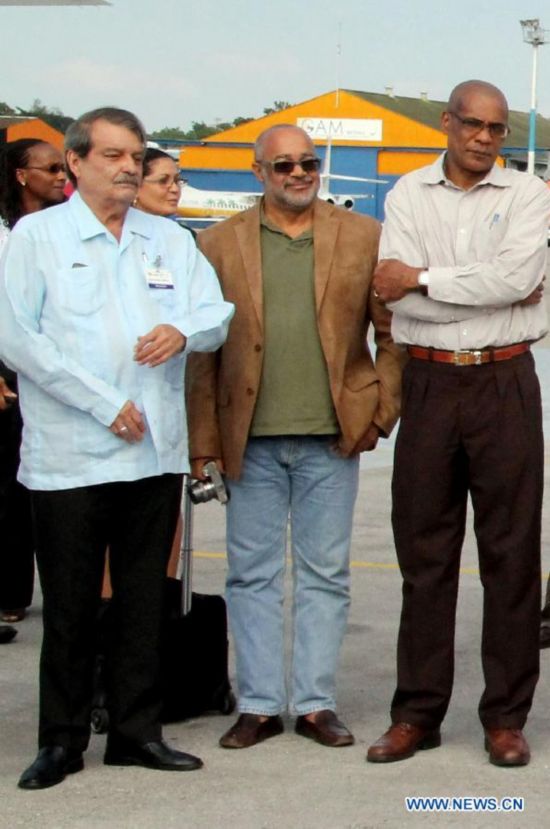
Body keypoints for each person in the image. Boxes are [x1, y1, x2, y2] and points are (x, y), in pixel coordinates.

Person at [0, 107, 234, 789]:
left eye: (135, 155)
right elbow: (18, 339)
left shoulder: (165, 237)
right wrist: (103, 404)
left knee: (142, 602)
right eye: (113, 155)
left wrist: (182, 331)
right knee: (71, 605)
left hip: (152, 453)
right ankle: (62, 739)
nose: (130, 167)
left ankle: (137, 731)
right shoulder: (38, 237)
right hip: (70, 454)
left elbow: (215, 311)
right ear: (75, 162)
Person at [186, 124, 404, 750]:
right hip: (246, 439)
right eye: (283, 165)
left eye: (308, 162)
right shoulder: (217, 245)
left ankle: (313, 702)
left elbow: (393, 337)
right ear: (259, 173)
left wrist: (378, 413)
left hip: (331, 440)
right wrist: (204, 441)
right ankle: (257, 703)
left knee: (325, 574)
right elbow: (201, 357)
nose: (298, 173)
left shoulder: (364, 236)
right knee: (250, 575)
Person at [367, 80, 550, 768]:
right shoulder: (408, 195)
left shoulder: (529, 196)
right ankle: (416, 713)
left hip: (505, 380)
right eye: (472, 124)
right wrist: (464, 286)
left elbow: (514, 281)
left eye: (497, 128)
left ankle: (505, 717)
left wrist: (421, 279)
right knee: (425, 554)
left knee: (510, 555)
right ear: (446, 123)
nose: (484, 137)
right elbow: (396, 294)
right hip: (432, 381)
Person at [0, 139, 67, 624]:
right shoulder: (5, 232)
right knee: (8, 484)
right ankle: (9, 592)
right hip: (8, 364)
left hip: (53, 363)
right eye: (52, 169)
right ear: (22, 175)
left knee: (41, 484)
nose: (63, 176)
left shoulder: (64, 229)